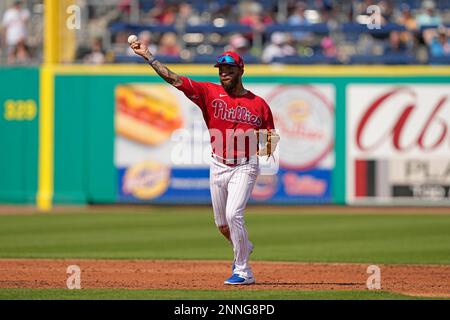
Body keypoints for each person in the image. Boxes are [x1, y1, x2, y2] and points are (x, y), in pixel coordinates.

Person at [130, 40, 279, 285]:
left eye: (228, 69)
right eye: (220, 69)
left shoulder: (259, 104)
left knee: (234, 215)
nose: (223, 73)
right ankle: (244, 246)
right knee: (222, 225)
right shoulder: (208, 92)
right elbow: (174, 79)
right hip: (218, 164)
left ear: (240, 71)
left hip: (245, 165)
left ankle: (244, 271)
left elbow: (271, 134)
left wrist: (267, 148)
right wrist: (149, 56)